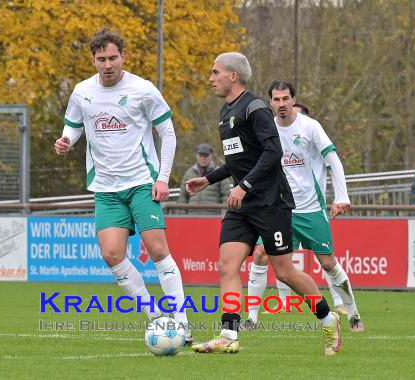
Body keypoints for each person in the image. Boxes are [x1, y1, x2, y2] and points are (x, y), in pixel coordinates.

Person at [186, 53, 342, 356]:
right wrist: (210, 179)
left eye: (215, 72)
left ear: (233, 76)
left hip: (272, 202)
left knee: (284, 272)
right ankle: (229, 333)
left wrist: (244, 185)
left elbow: (273, 152)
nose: (210, 78)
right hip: (242, 205)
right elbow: (239, 159)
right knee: (227, 266)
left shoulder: (255, 107)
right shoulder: (224, 112)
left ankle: (327, 317)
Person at [53, 28, 192, 345]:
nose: (107, 64)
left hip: (143, 182)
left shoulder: (143, 90)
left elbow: (167, 134)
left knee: (157, 250)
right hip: (106, 188)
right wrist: (65, 141)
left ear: (123, 57)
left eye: (113, 57)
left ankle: (182, 324)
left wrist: (162, 178)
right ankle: (156, 318)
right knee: (112, 254)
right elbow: (73, 127)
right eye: (101, 59)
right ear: (93, 60)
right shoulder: (82, 92)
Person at [244, 81, 364, 333]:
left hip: (310, 209)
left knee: (328, 263)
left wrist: (341, 196)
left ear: (293, 100)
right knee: (261, 255)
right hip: (280, 210)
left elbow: (333, 160)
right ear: (271, 103)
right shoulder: (267, 129)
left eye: (285, 99)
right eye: (276, 100)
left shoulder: (310, 127)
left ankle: (353, 313)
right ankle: (251, 318)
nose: (281, 104)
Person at [178, 143, 231, 214]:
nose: (203, 158)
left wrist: (223, 216)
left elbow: (226, 196)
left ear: (211, 156)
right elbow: (183, 197)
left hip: (212, 217)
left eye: (206, 155)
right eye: (201, 155)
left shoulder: (219, 173)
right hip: (191, 217)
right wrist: (181, 215)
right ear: (196, 156)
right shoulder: (188, 173)